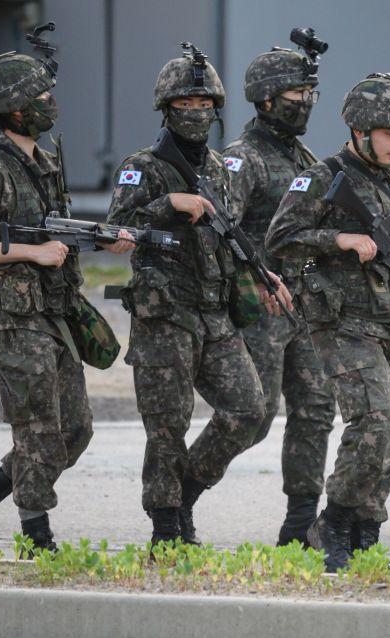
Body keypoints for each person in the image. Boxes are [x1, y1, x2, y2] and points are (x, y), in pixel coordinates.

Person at [0, 47, 133, 554]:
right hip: (15, 317)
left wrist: (103, 239)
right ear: (15, 108)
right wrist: (32, 252)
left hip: (55, 315)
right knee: (36, 427)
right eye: (41, 96)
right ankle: (36, 535)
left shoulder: (46, 164)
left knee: (75, 429)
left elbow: (59, 236)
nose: (52, 104)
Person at [106, 43, 292, 546]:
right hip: (164, 316)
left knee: (249, 410)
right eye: (186, 105)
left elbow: (232, 236)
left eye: (205, 105)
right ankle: (166, 527)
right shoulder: (141, 166)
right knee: (167, 425)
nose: (196, 114)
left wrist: (263, 276)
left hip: (215, 316)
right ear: (166, 110)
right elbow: (114, 232)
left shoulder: (218, 168)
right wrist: (167, 204)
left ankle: (185, 491)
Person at [265, 73, 390, 571]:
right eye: (389, 134)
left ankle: (367, 529)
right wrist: (338, 240)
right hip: (342, 322)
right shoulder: (324, 175)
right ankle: (333, 522)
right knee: (372, 423)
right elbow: (280, 238)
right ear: (360, 131)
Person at [223, 44, 335, 546]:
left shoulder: (305, 157)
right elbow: (221, 229)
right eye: (296, 93)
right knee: (255, 416)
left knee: (316, 408)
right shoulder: (242, 159)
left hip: (306, 307)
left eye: (311, 92)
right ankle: (180, 492)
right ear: (265, 100)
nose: (306, 101)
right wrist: (256, 280)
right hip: (262, 304)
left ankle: (299, 525)